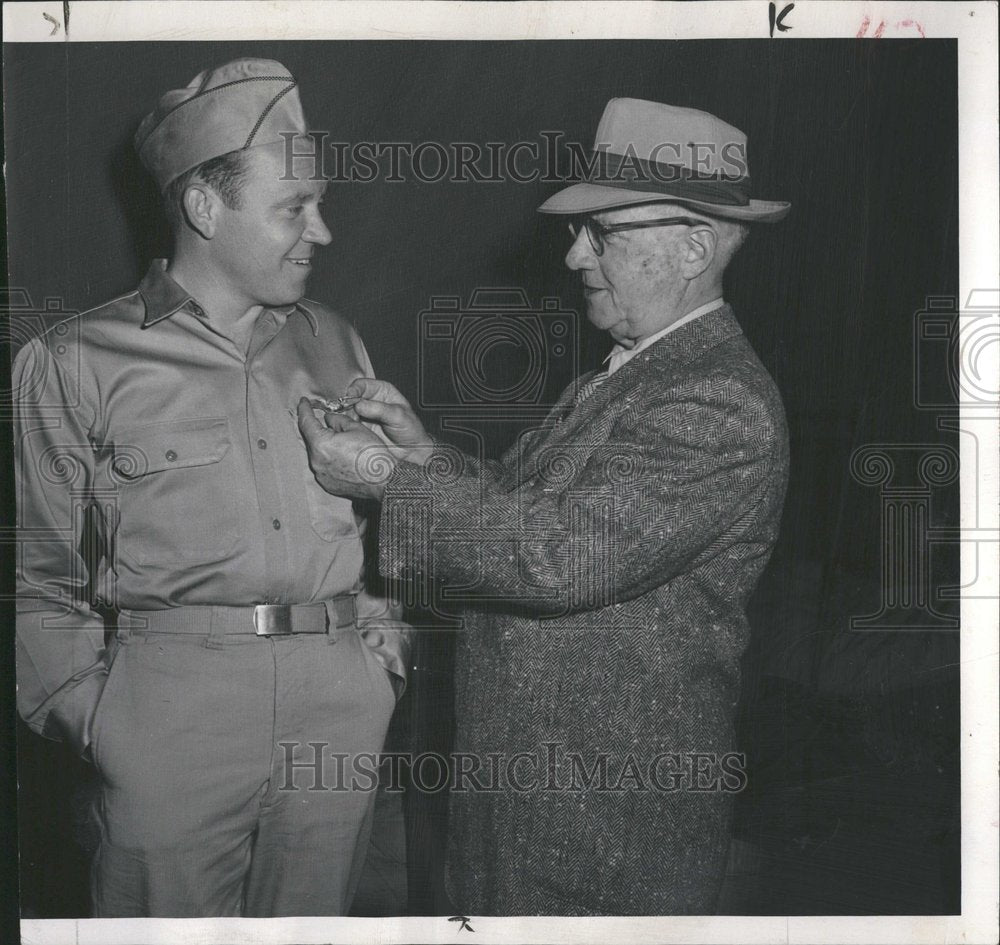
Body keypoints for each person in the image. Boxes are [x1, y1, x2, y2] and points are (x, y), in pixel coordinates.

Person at [297, 98, 791, 914]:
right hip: (534, 806)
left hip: (604, 828)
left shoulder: (715, 399)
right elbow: (523, 507)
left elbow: (565, 556)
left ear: (694, 247)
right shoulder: (633, 371)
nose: (573, 258)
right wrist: (423, 453)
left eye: (602, 235)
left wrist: (387, 477)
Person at [12, 58, 408, 918]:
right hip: (170, 724)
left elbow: (386, 535)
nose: (322, 232)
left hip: (336, 714)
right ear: (204, 207)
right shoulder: (76, 360)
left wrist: (382, 657)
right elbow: (36, 576)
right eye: (294, 208)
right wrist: (97, 719)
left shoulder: (336, 341)